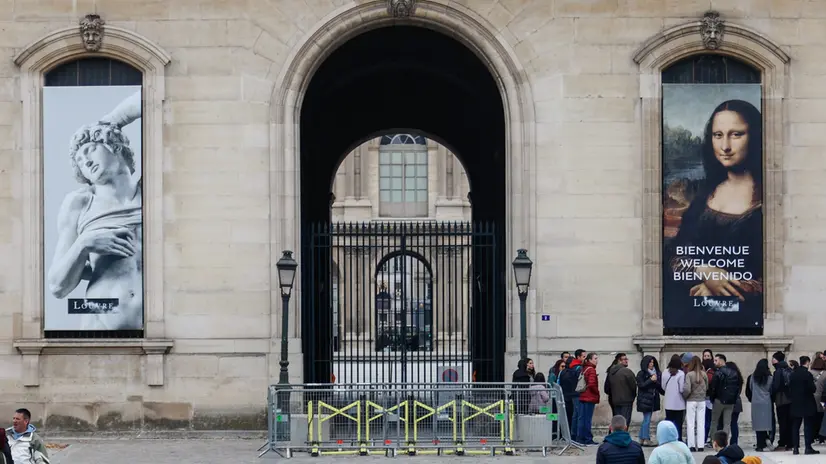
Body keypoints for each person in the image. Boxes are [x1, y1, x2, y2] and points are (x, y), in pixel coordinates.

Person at [46, 89, 143, 331]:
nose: (85, 161)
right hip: (100, 324)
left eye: (89, 150)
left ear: (115, 146)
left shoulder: (155, 191)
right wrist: (85, 244)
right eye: (79, 160)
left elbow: (158, 97)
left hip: (160, 330)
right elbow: (57, 285)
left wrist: (114, 120)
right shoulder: (80, 204)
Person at [666, 100, 763, 304]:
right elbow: (673, 255)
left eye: (736, 134)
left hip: (745, 317)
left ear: (754, 136)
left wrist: (721, 288)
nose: (725, 146)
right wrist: (704, 271)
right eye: (718, 135)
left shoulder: (768, 200)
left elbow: (777, 274)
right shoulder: (702, 192)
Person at [789, 356, 820, 455]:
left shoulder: (793, 374)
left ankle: (795, 448)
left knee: (795, 426)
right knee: (808, 426)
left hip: (796, 403)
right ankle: (808, 447)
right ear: (807, 363)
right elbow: (812, 389)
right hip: (807, 402)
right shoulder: (807, 374)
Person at [708, 354, 740, 440]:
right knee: (727, 423)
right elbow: (737, 387)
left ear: (722, 361)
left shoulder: (718, 373)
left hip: (719, 400)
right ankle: (724, 441)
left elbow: (713, 388)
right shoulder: (734, 373)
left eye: (716, 360)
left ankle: (714, 440)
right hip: (730, 401)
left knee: (714, 421)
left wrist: (712, 398)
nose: (714, 362)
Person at [635, 355, 664, 447]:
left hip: (653, 399)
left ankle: (642, 437)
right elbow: (641, 385)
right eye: (650, 362)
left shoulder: (657, 373)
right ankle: (646, 438)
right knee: (647, 419)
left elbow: (659, 387)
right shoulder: (641, 373)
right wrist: (651, 380)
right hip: (644, 399)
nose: (651, 364)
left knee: (646, 419)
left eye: (652, 362)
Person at [745, 359, 773, 451]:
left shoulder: (752, 377)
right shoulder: (769, 378)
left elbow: (749, 389)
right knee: (766, 423)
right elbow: (771, 390)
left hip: (756, 402)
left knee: (758, 425)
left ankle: (760, 445)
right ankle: (767, 438)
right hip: (766, 402)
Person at [684, 356, 709, 452]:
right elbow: (707, 387)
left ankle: (691, 445)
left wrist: (684, 396)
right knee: (701, 423)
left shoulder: (689, 375)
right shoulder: (704, 374)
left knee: (690, 423)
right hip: (702, 400)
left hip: (691, 400)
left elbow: (687, 389)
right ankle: (701, 445)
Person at [604, 352, 636, 425]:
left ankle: (615, 435)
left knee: (616, 421)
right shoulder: (627, 372)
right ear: (619, 360)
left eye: (626, 359)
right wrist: (632, 396)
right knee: (625, 422)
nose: (626, 361)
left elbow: (606, 388)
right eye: (624, 359)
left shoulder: (611, 371)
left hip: (614, 400)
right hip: (626, 401)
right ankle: (622, 436)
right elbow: (633, 386)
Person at [575, 352, 599, 446]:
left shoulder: (584, 368)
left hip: (582, 396)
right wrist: (596, 392)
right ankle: (588, 438)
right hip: (589, 397)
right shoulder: (591, 370)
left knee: (581, 418)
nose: (597, 360)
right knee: (587, 419)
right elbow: (592, 384)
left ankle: (580, 438)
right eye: (595, 358)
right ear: (589, 360)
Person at [770, 351, 793, 450]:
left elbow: (776, 387)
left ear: (776, 360)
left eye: (773, 358)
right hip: (790, 399)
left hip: (781, 399)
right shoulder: (789, 370)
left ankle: (782, 443)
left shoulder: (778, 371)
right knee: (790, 422)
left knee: (782, 422)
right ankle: (790, 443)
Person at [662, 354, 687, 441]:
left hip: (668, 402)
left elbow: (663, 387)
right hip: (679, 403)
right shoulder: (681, 373)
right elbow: (681, 389)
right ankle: (678, 438)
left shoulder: (665, 372)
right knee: (678, 423)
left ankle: (668, 438)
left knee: (669, 422)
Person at [810, 356, 826, 444]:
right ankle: (821, 437)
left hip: (812, 397)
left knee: (812, 418)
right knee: (822, 418)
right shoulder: (825, 374)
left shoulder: (810, 373)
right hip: (822, 398)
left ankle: (812, 436)